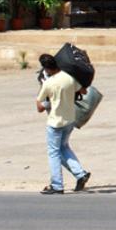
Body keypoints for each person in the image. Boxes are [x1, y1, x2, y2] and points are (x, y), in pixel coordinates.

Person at [35, 54, 91, 195]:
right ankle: (80, 174)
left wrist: (49, 99)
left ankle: (57, 185)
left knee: (54, 153)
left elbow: (40, 107)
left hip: (55, 122)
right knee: (64, 148)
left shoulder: (48, 83)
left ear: (46, 69)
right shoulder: (69, 78)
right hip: (70, 120)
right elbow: (83, 90)